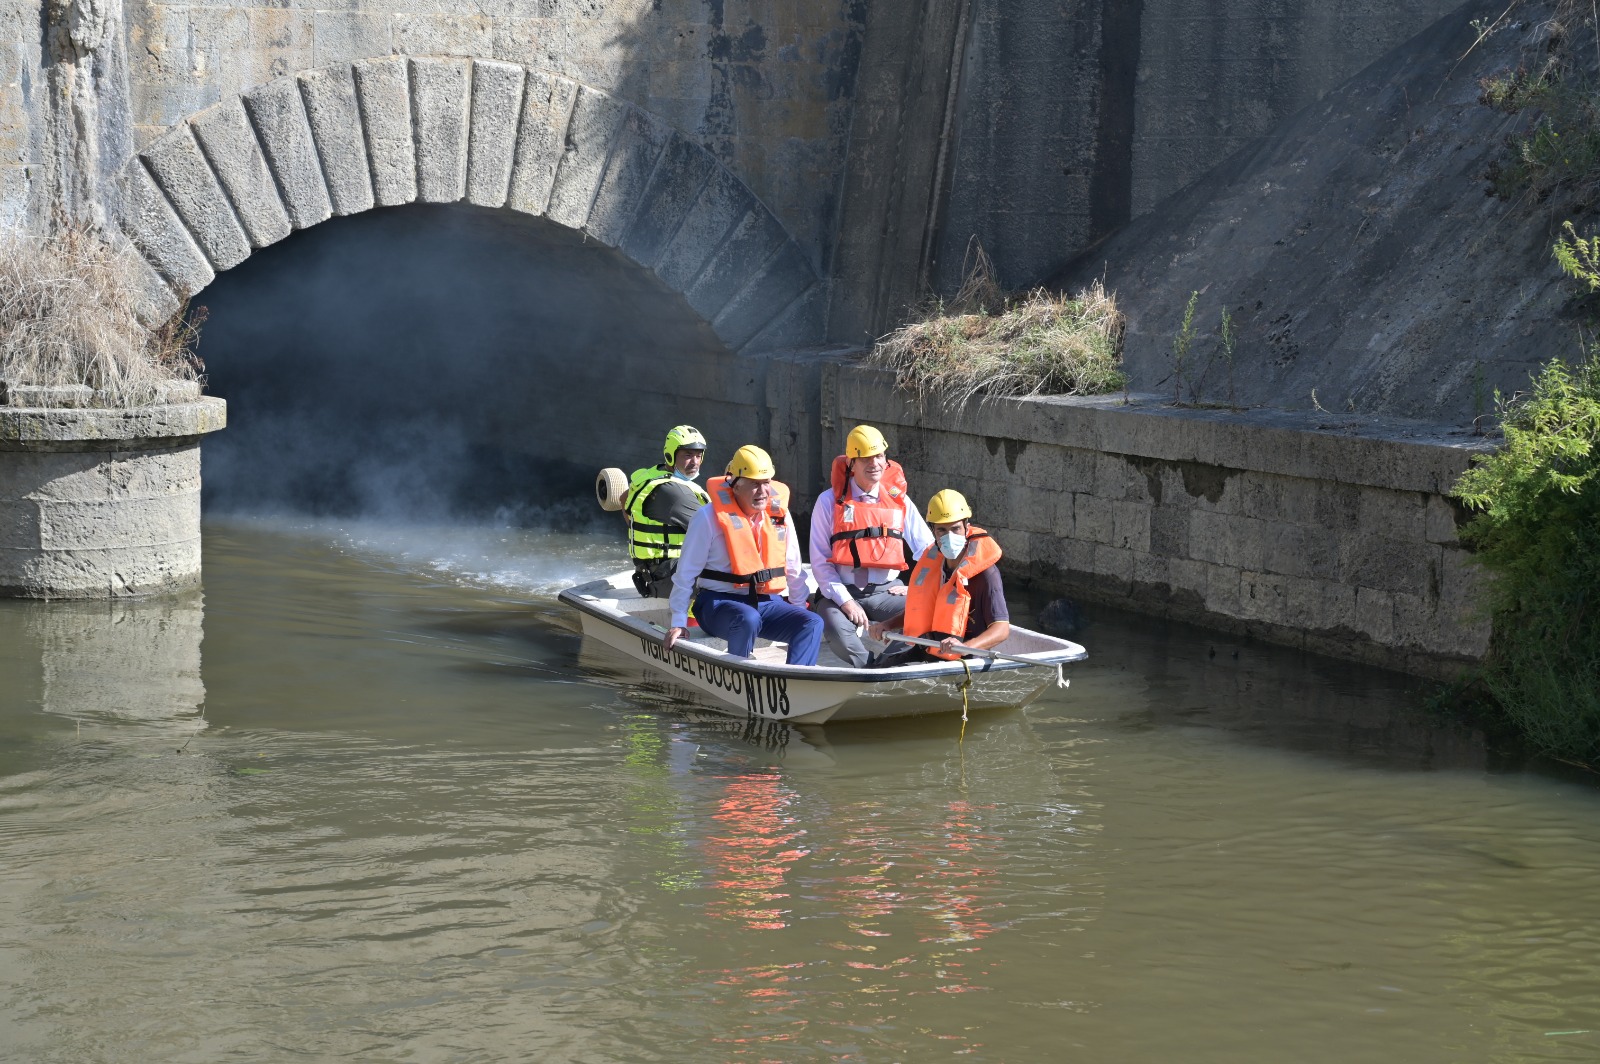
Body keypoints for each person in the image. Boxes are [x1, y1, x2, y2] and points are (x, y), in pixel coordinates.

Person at [665, 445, 823, 666]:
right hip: (717, 604)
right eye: (754, 484)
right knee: (747, 618)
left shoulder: (780, 516)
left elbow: (794, 568)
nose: (763, 491)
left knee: (812, 622)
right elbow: (685, 574)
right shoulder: (707, 518)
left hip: (767, 603)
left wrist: (797, 608)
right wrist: (679, 621)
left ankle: (799, 683)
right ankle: (739, 678)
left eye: (766, 483)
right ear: (735, 486)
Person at [808, 424, 934, 667]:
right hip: (840, 593)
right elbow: (820, 562)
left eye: (879, 455)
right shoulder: (827, 502)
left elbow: (928, 550)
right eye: (865, 457)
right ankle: (870, 668)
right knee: (837, 632)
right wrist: (846, 601)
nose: (874, 463)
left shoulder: (899, 500)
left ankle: (885, 666)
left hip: (886, 592)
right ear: (851, 464)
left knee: (927, 615)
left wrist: (918, 588)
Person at [870, 488, 1010, 664]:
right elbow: (920, 611)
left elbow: (1002, 629)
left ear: (967, 527)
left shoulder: (987, 574)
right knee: (880, 666)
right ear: (933, 531)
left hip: (965, 657)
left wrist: (967, 646)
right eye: (942, 530)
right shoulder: (934, 566)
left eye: (956, 528)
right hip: (929, 650)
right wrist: (888, 624)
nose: (949, 536)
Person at [624, 425, 710, 597]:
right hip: (664, 576)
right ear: (670, 456)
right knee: (726, 573)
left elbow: (623, 500)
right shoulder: (675, 494)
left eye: (698, 455)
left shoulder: (649, 476)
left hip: (651, 573)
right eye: (687, 455)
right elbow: (715, 532)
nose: (695, 462)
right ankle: (695, 619)